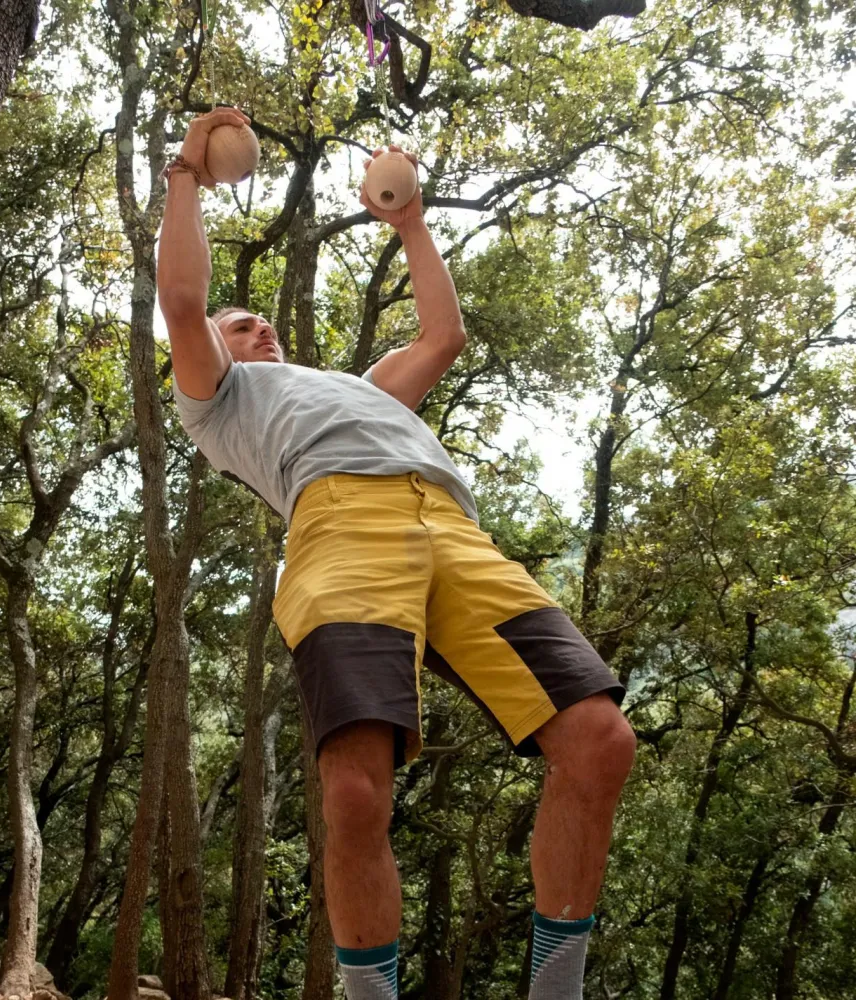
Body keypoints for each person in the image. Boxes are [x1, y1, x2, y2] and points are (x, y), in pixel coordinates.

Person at [157, 106, 636, 1000]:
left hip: (453, 529)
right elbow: (183, 301)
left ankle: (556, 989)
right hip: (341, 530)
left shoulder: (360, 387)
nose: (260, 330)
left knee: (600, 739)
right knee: (353, 793)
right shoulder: (218, 402)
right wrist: (186, 175)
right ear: (213, 351)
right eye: (242, 324)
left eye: (263, 323)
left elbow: (443, 337)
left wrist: (411, 223)